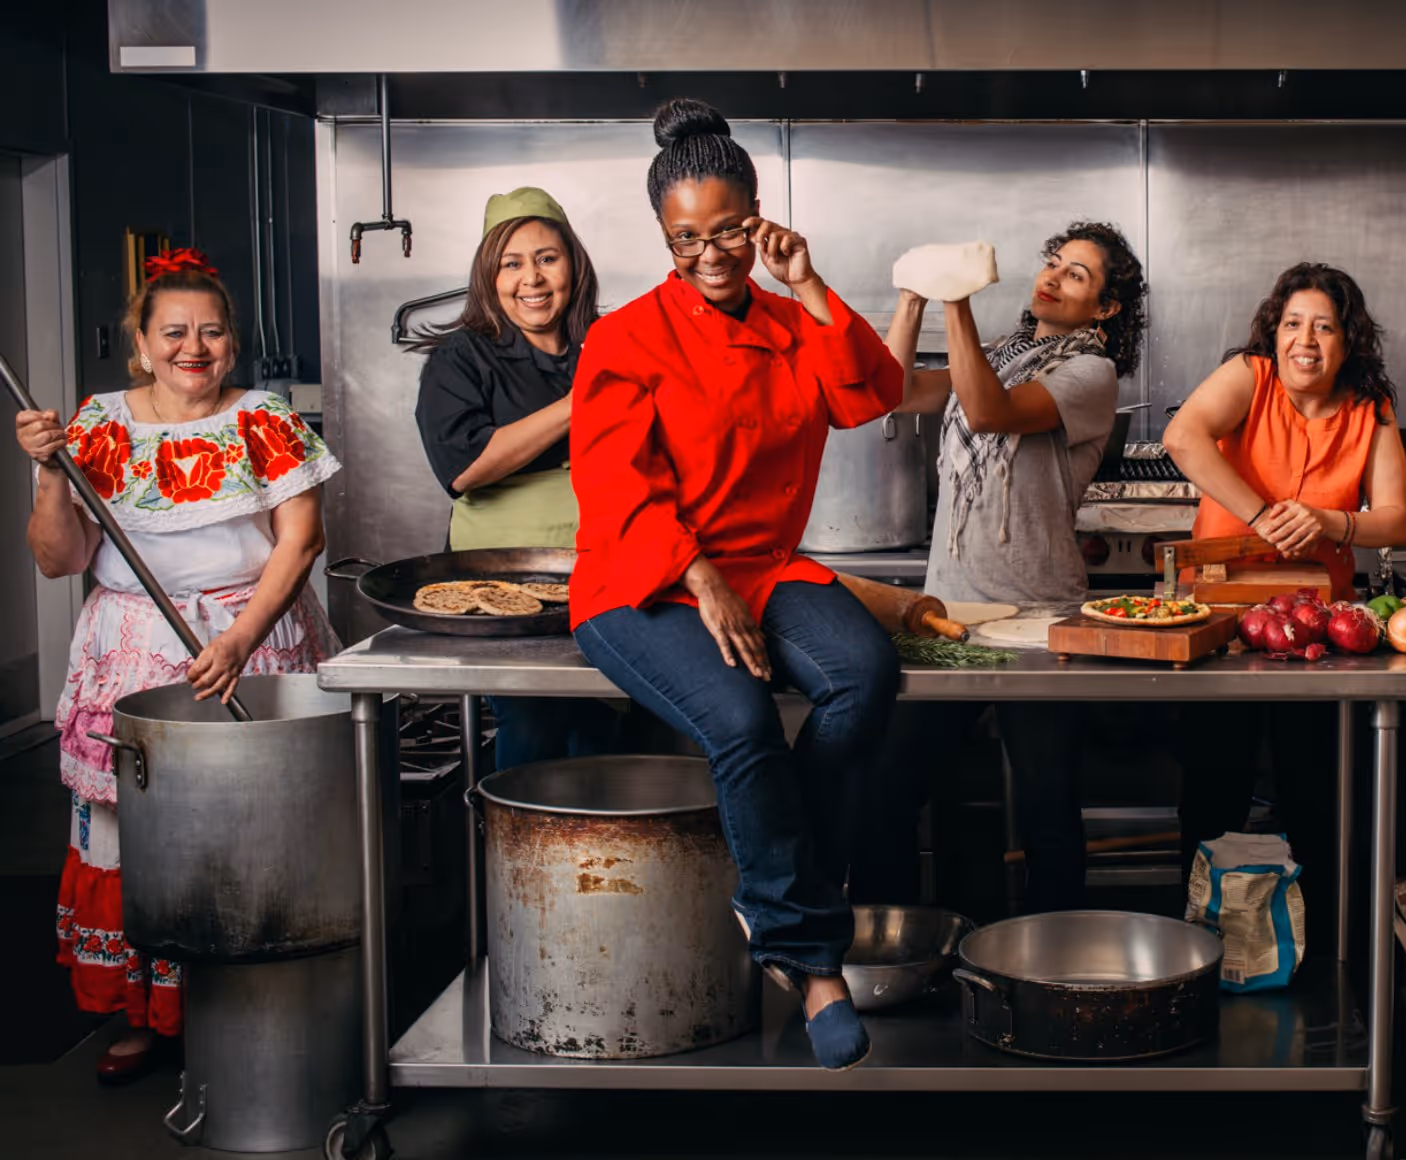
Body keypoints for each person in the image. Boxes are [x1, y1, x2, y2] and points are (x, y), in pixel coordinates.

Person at [567, 98, 903, 1071]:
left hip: (762, 565)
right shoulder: (625, 339)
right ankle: (811, 958)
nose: (708, 255)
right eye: (684, 240)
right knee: (743, 717)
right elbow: (615, 481)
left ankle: (774, 889)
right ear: (661, 237)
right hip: (642, 575)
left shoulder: (793, 323)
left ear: (757, 216)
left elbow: (871, 394)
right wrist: (695, 571)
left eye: (725, 232)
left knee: (863, 672)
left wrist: (810, 284)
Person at [15, 249, 339, 1084]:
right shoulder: (95, 425)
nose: (192, 348)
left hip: (251, 636)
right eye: (173, 333)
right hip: (130, 648)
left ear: (234, 339)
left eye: (211, 331)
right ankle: (147, 1015)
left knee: (251, 827)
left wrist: (236, 642)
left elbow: (301, 540)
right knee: (134, 831)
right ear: (140, 341)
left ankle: (263, 1004)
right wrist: (51, 472)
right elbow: (59, 559)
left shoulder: (264, 419)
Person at [853, 222, 1149, 913]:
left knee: (1046, 806)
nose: (1051, 275)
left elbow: (984, 411)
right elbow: (890, 393)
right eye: (1053, 262)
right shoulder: (998, 355)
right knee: (888, 788)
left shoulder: (1089, 373)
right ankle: (892, 952)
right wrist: (913, 301)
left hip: (1036, 625)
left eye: (1077, 274)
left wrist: (956, 298)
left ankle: (1058, 968)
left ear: (1105, 308)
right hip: (946, 617)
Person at [1163, 262, 1406, 953]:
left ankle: (1329, 950)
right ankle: (1195, 950)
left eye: (1325, 327)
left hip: (1319, 633)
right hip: (1223, 625)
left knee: (1320, 797)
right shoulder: (1250, 375)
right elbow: (1182, 436)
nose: (1306, 340)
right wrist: (1263, 515)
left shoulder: (1372, 406)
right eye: (1293, 324)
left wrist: (1334, 525)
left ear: (1348, 340)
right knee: (1214, 791)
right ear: (1274, 333)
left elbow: (1396, 520)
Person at [413, 186, 645, 769]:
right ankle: (521, 850)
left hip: (610, 569)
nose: (531, 279)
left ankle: (606, 854)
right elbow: (465, 467)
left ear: (574, 264)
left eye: (547, 258)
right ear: (489, 275)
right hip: (503, 578)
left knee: (606, 716)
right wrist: (580, 399)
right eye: (511, 264)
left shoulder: (612, 342)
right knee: (533, 717)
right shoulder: (462, 357)